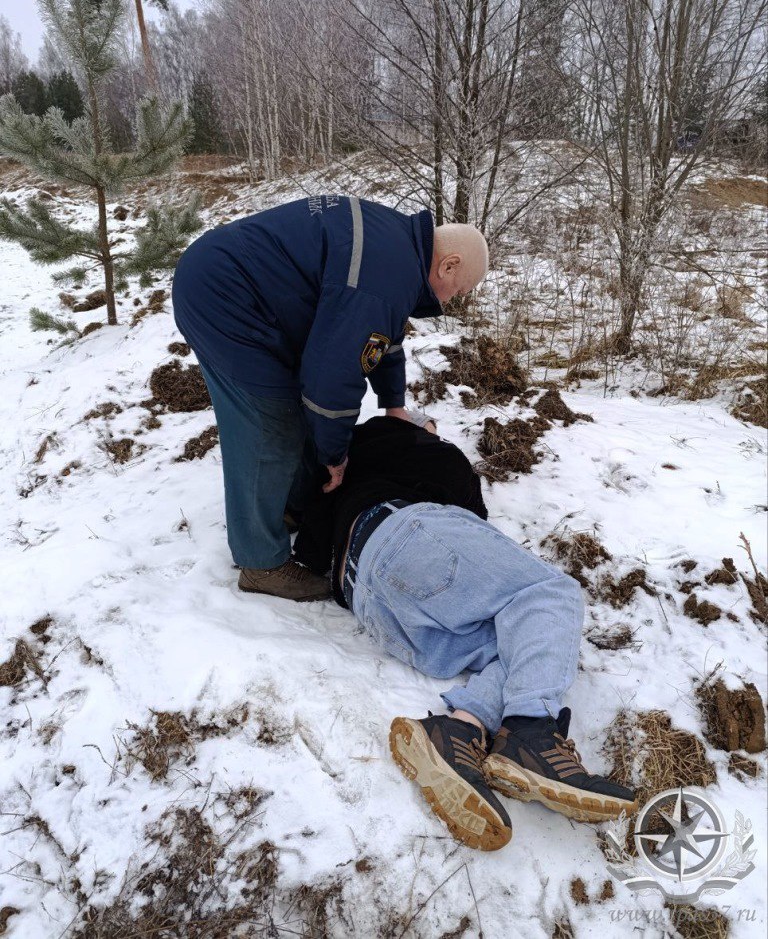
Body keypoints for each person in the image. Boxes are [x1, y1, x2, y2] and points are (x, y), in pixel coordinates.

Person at [294, 415, 638, 851]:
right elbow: (473, 523)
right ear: (418, 428)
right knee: (549, 594)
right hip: (405, 531)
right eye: (428, 423)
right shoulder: (429, 450)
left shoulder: (337, 463)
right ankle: (531, 729)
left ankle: (458, 731)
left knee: (518, 651)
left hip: (368, 602)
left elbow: (308, 550)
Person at [172, 196, 489, 601]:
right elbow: (332, 380)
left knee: (292, 415)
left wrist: (394, 404)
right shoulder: (385, 277)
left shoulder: (398, 246)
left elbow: (382, 338)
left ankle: (286, 505)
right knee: (271, 423)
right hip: (225, 297)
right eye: (456, 292)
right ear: (449, 265)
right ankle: (261, 564)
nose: (446, 302)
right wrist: (333, 456)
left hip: (242, 286)